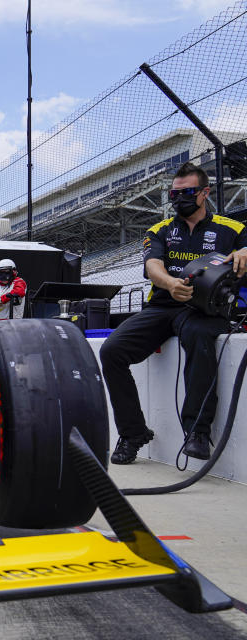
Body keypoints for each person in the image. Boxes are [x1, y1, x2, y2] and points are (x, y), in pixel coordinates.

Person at [100, 162, 247, 464]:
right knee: (112, 350)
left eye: (187, 192)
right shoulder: (160, 229)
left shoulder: (232, 229)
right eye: (173, 193)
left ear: (205, 192)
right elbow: (153, 266)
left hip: (204, 310)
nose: (178, 198)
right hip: (164, 304)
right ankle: (133, 433)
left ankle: (197, 431)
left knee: (199, 336)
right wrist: (170, 283)